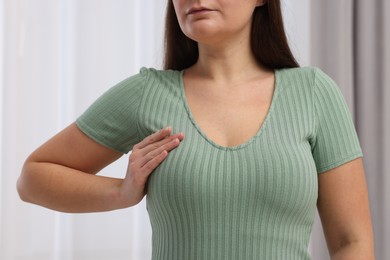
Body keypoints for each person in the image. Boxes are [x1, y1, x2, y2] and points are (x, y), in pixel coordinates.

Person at [17, 0, 375, 259]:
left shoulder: (313, 93)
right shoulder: (147, 94)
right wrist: (121, 193)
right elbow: (32, 178)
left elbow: (352, 241)